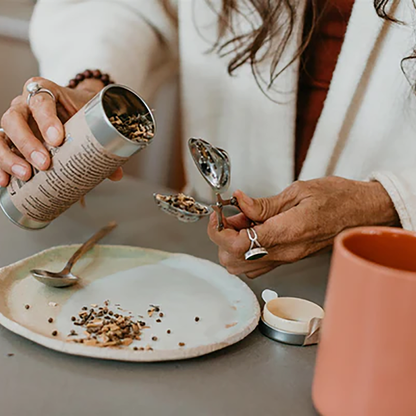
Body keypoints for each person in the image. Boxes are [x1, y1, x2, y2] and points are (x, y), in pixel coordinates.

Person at [0, 0, 413, 278]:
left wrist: (387, 202)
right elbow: (130, 7)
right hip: (208, 261)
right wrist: (89, 92)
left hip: (392, 274)